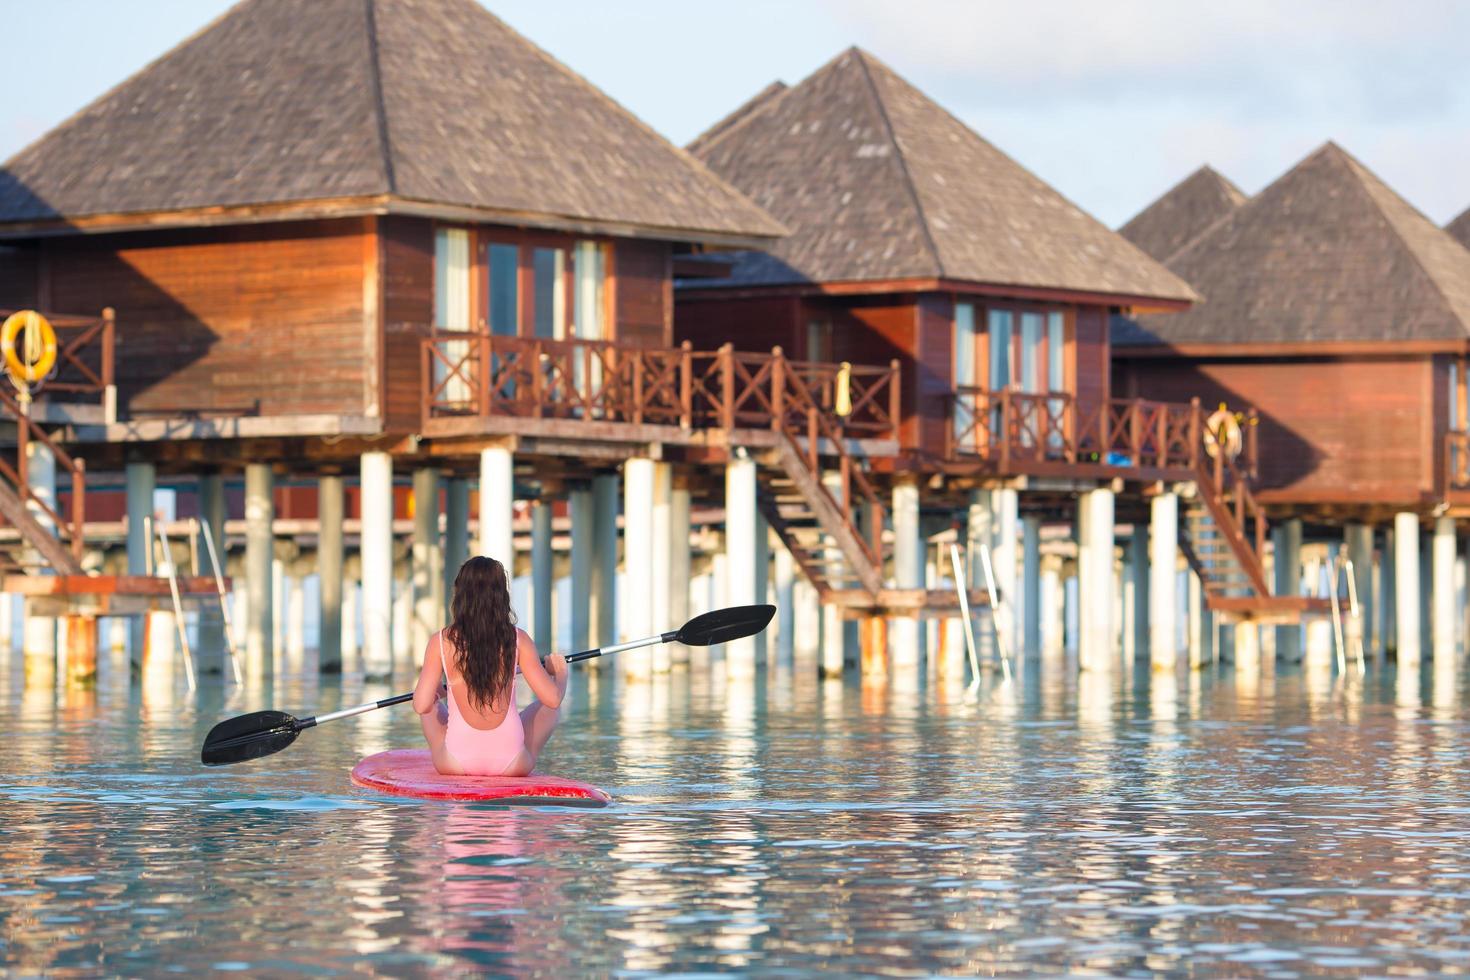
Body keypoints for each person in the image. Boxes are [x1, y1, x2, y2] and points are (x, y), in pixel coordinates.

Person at [413, 556, 568, 776]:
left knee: (429, 706)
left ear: (460, 594)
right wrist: (560, 673)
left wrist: (434, 694)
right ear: (501, 596)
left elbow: (420, 705)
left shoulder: (440, 641)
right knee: (551, 709)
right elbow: (552, 699)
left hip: (456, 764)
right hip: (511, 764)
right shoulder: (518, 639)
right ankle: (526, 755)